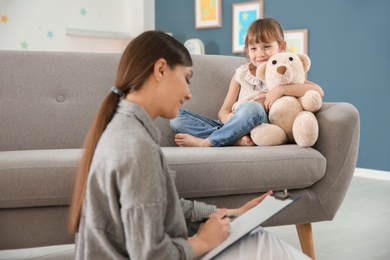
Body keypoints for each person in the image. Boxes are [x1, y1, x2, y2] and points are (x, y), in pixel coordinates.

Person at [68, 30, 310, 259]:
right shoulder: (136, 147)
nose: (189, 94)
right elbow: (151, 255)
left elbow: (164, 206)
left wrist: (233, 213)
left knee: (253, 236)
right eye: (186, 79)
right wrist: (202, 242)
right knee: (261, 243)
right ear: (161, 70)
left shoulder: (128, 130)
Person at [170, 18, 324, 147]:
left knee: (253, 108)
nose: (260, 54)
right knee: (176, 118)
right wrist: (227, 119)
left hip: (260, 126)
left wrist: (281, 90)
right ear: (247, 51)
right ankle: (234, 139)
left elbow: (317, 90)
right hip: (234, 124)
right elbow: (223, 110)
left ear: (282, 46)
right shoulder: (241, 74)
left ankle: (207, 142)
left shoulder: (283, 73)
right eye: (254, 48)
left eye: (267, 46)